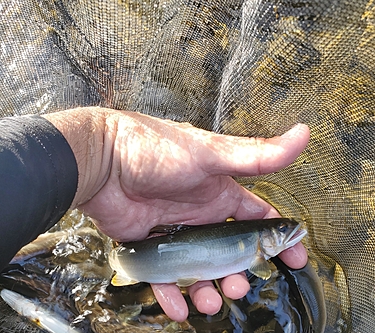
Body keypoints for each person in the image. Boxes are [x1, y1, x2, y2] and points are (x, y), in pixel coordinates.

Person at [0, 106, 310, 321]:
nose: (288, 233)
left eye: (282, 230)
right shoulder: (258, 258)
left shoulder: (256, 249)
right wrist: (103, 152)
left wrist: (105, 155)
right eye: (281, 231)